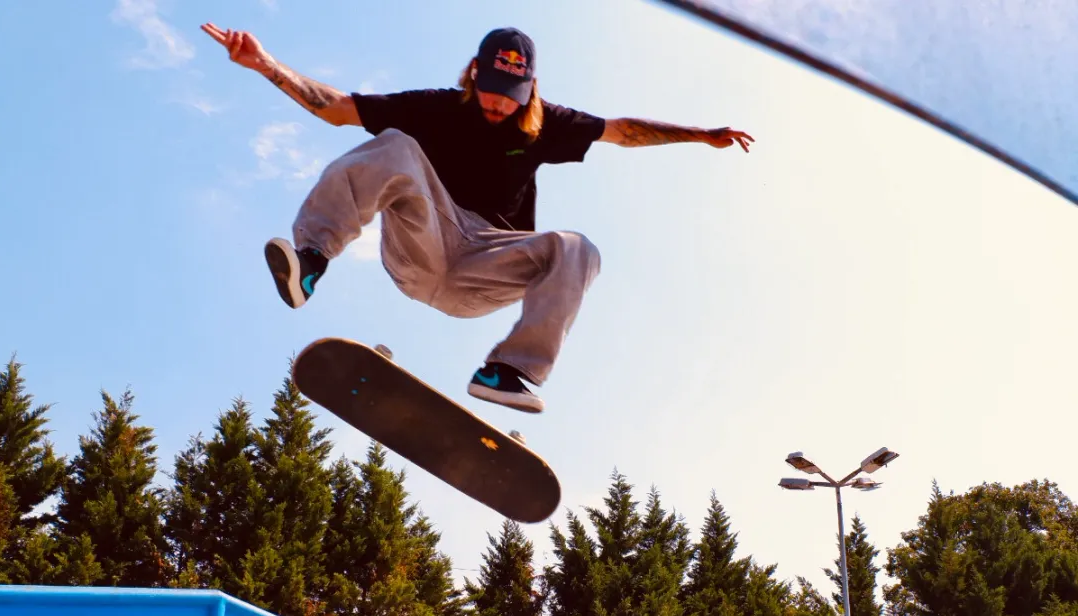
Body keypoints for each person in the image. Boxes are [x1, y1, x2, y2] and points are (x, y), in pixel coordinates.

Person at [203, 23, 753, 413]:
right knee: (396, 145)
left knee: (577, 248)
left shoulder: (548, 124)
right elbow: (340, 109)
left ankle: (509, 372)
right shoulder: (436, 107)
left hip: (486, 265)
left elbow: (621, 131)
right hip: (425, 244)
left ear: (529, 89)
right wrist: (265, 65)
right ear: (473, 74)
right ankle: (311, 261)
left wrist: (700, 135)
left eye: (510, 97)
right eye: (490, 91)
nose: (498, 105)